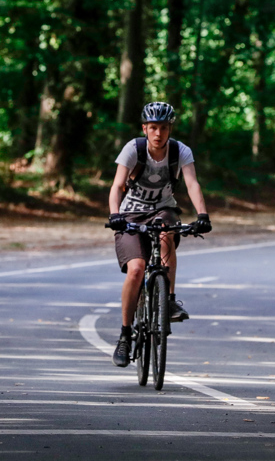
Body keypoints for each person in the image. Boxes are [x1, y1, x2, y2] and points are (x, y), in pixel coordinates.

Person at [107, 102, 211, 367]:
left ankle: (170, 300)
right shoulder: (133, 149)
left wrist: (202, 215)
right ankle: (125, 334)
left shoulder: (180, 151)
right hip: (130, 215)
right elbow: (117, 186)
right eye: (153, 127)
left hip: (163, 210)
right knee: (136, 270)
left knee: (167, 233)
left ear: (170, 129)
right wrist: (115, 215)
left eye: (163, 128)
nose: (158, 133)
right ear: (145, 128)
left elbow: (192, 183)